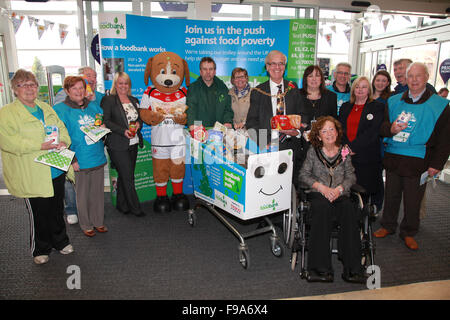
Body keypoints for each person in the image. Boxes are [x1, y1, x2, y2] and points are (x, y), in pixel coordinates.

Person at [0, 69, 73, 265]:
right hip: (32, 172)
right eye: (23, 85)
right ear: (15, 90)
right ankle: (40, 248)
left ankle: (61, 241)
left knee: (57, 209)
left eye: (32, 84)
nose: (29, 89)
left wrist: (64, 142)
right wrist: (38, 146)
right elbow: (7, 142)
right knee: (39, 213)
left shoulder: (46, 107)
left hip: (55, 167)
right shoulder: (6, 113)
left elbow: (61, 128)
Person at [374, 62, 450, 250]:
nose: (414, 80)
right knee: (391, 195)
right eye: (411, 76)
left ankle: (409, 231)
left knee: (413, 199)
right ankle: (388, 225)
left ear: (426, 77)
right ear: (406, 79)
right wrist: (390, 129)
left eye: (418, 76)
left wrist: (437, 164)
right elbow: (382, 127)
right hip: (394, 156)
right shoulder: (393, 101)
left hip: (420, 159)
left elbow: (445, 138)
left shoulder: (440, 105)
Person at [299, 116, 365, 284]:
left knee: (350, 210)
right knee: (322, 209)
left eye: (332, 129)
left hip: (340, 193)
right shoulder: (313, 151)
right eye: (324, 131)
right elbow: (303, 175)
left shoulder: (344, 151)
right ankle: (320, 269)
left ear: (337, 132)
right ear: (319, 136)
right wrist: (322, 188)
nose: (329, 133)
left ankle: (353, 270)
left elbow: (351, 176)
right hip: (318, 194)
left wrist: (339, 189)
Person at [53, 76, 108, 237]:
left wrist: (103, 129)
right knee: (82, 195)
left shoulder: (94, 107)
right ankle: (86, 224)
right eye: (75, 88)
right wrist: (72, 159)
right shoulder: (60, 110)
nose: (79, 91)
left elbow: (99, 127)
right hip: (79, 159)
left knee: (97, 193)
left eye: (81, 88)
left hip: (96, 155)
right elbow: (60, 137)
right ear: (67, 91)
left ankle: (98, 221)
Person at [246, 50, 304, 187]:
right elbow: (251, 122)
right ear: (267, 67)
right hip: (267, 146)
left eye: (281, 64)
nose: (277, 67)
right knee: (267, 187)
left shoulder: (293, 89)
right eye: (273, 64)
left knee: (288, 187)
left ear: (285, 66)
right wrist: (263, 143)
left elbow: (303, 115)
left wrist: (297, 132)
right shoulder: (258, 91)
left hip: (290, 147)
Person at [101, 72, 145, 217]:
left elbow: (140, 119)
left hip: (133, 142)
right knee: (128, 177)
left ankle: (122, 205)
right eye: (120, 83)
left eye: (126, 83)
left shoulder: (134, 99)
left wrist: (139, 123)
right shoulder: (109, 100)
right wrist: (123, 131)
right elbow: (106, 121)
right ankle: (135, 208)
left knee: (125, 175)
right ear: (115, 84)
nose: (123, 86)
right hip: (117, 143)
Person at [339, 76, 385, 211]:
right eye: (357, 87)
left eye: (364, 87)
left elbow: (373, 132)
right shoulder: (345, 106)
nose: (360, 90)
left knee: (364, 190)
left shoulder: (377, 107)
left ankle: (363, 219)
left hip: (367, 156)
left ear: (369, 90)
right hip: (347, 156)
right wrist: (346, 146)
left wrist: (353, 147)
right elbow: (340, 128)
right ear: (353, 90)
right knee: (347, 189)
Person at [186, 57, 233, 130]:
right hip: (199, 129)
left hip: (218, 130)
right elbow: (191, 109)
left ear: (214, 71)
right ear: (200, 71)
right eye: (205, 69)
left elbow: (227, 108)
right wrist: (192, 124)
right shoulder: (193, 88)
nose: (208, 72)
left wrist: (227, 121)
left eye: (211, 69)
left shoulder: (223, 87)